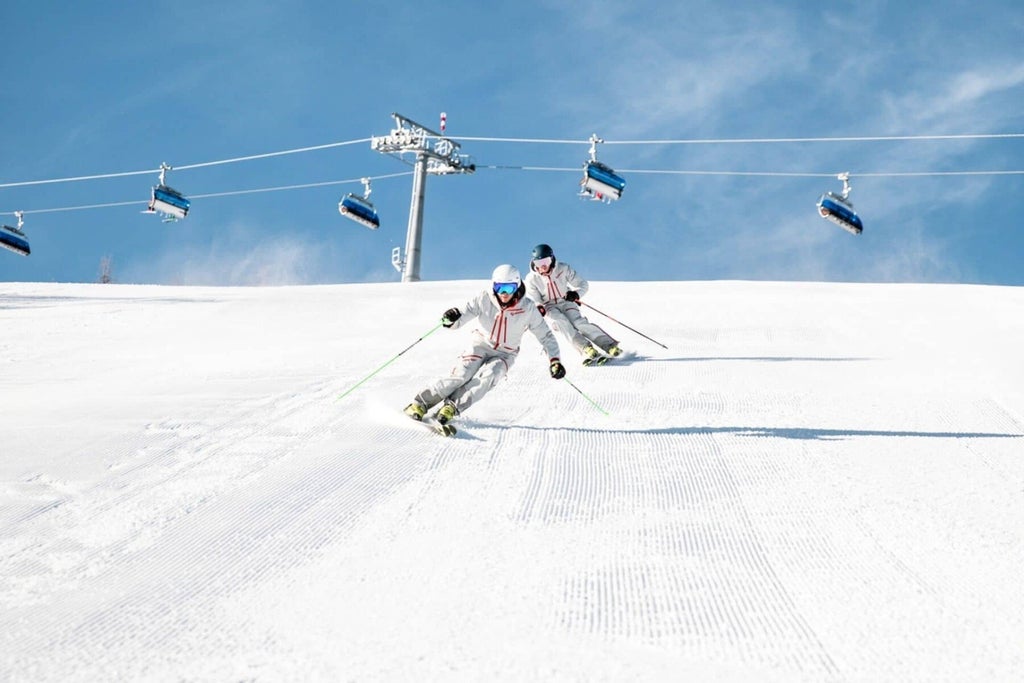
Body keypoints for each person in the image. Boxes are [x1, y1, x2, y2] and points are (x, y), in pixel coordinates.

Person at [404, 264, 566, 433]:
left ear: (517, 285)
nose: (503, 293)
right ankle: (419, 404)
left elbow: (546, 336)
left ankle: (451, 407)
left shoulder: (528, 308)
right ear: (493, 285)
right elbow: (463, 314)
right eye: (499, 287)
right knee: (461, 375)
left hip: (506, 353)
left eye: (509, 287)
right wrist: (451, 318)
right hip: (480, 345)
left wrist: (555, 360)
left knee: (488, 378)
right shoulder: (484, 298)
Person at [524, 243, 622, 365]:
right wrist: (539, 307)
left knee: (579, 323)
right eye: (538, 263)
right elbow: (534, 298)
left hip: (565, 300)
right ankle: (585, 348)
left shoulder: (563, 269)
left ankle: (609, 345)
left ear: (551, 259)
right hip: (548, 307)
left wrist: (575, 294)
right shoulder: (531, 279)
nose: (542, 266)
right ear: (533, 263)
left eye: (546, 261)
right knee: (562, 323)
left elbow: (583, 284)